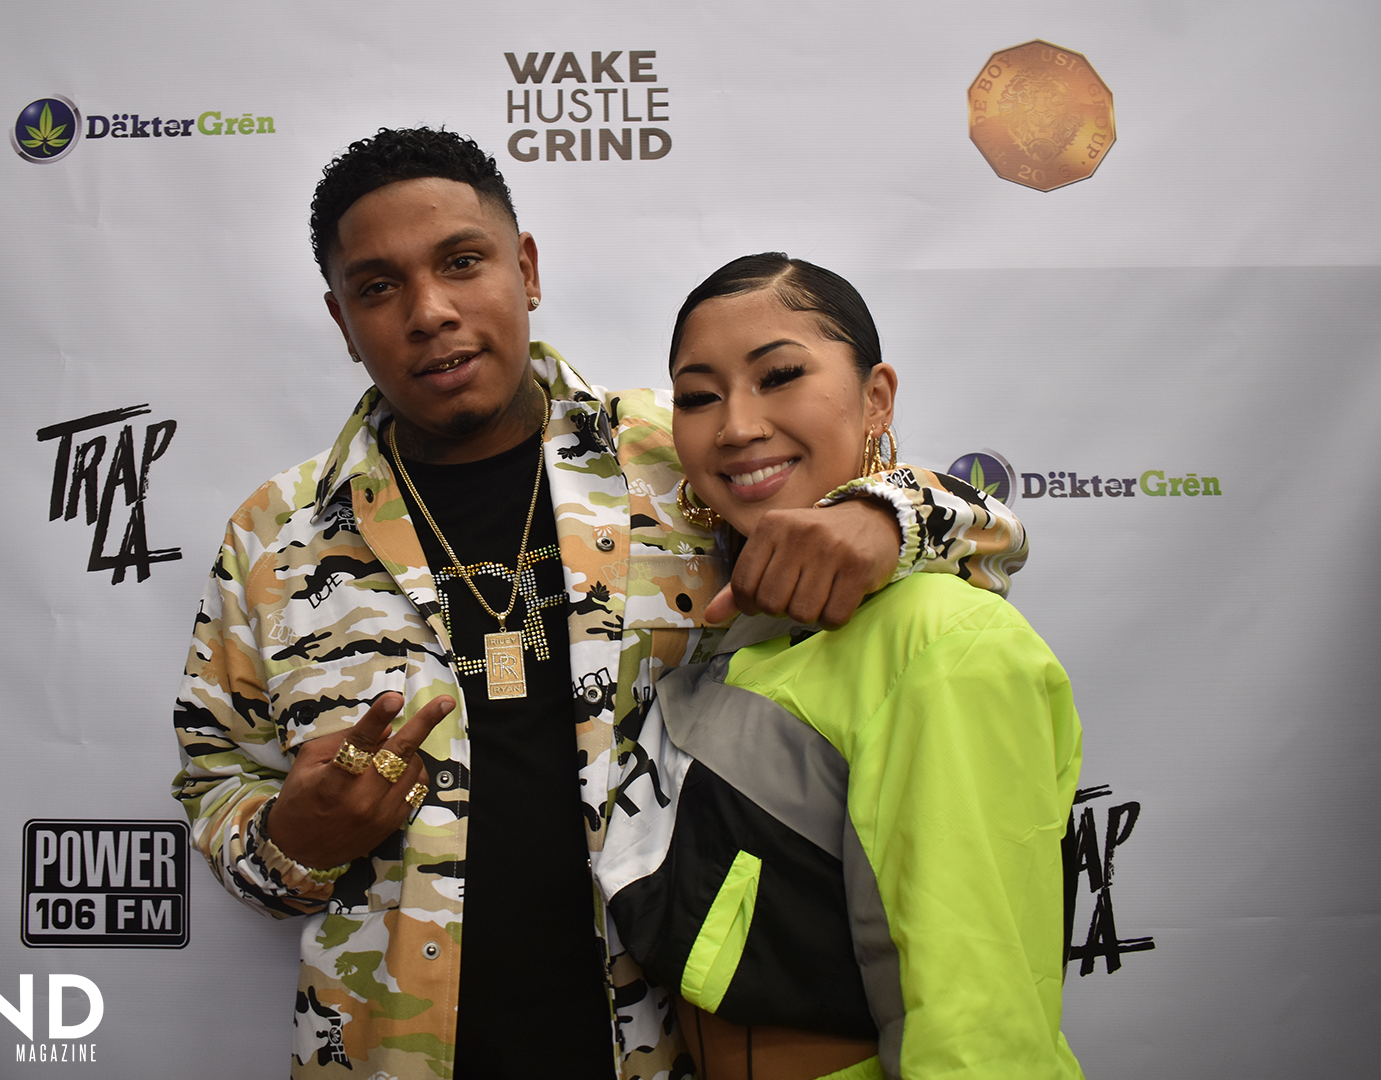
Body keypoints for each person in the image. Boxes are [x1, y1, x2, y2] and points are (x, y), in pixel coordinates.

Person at [170, 130, 1031, 1080]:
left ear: (527, 269)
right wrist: (294, 841)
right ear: (342, 320)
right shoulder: (275, 535)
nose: (430, 311)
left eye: (462, 262)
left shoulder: (687, 451)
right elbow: (216, 782)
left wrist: (883, 517)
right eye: (378, 287)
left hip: (667, 1051)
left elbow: (984, 537)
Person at [597, 254, 1085, 1080]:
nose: (736, 426)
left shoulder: (942, 639)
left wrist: (889, 515)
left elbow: (977, 1019)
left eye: (780, 376)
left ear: (877, 398)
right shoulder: (741, 619)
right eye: (699, 396)